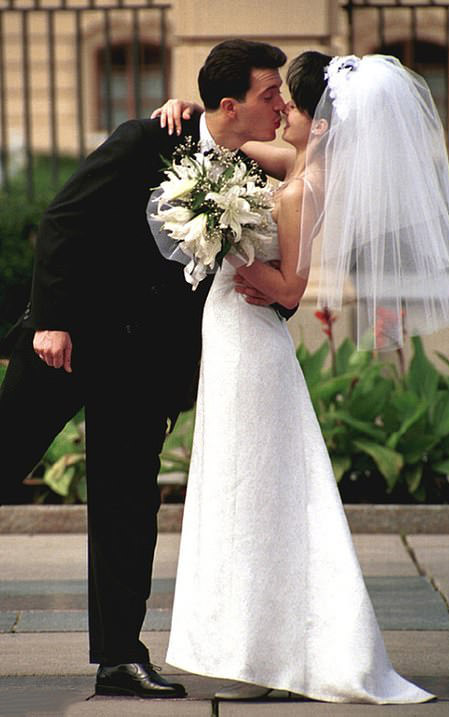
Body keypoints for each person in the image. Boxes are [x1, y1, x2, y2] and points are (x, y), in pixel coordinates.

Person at [150, 49, 449, 703]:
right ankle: (255, 646)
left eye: (291, 106)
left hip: (250, 342)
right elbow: (226, 146)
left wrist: (231, 248)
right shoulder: (301, 164)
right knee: (245, 482)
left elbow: (290, 286)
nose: (282, 113)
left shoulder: (303, 186)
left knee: (251, 489)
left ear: (319, 123)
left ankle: (259, 652)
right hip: (235, 339)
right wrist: (190, 116)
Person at [0, 38, 290, 699]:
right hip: (67, 342)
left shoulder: (250, 173)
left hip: (141, 368)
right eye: (269, 94)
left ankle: (119, 659)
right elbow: (63, 219)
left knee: (128, 506)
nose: (279, 105)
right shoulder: (148, 139)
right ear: (228, 103)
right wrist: (51, 319)